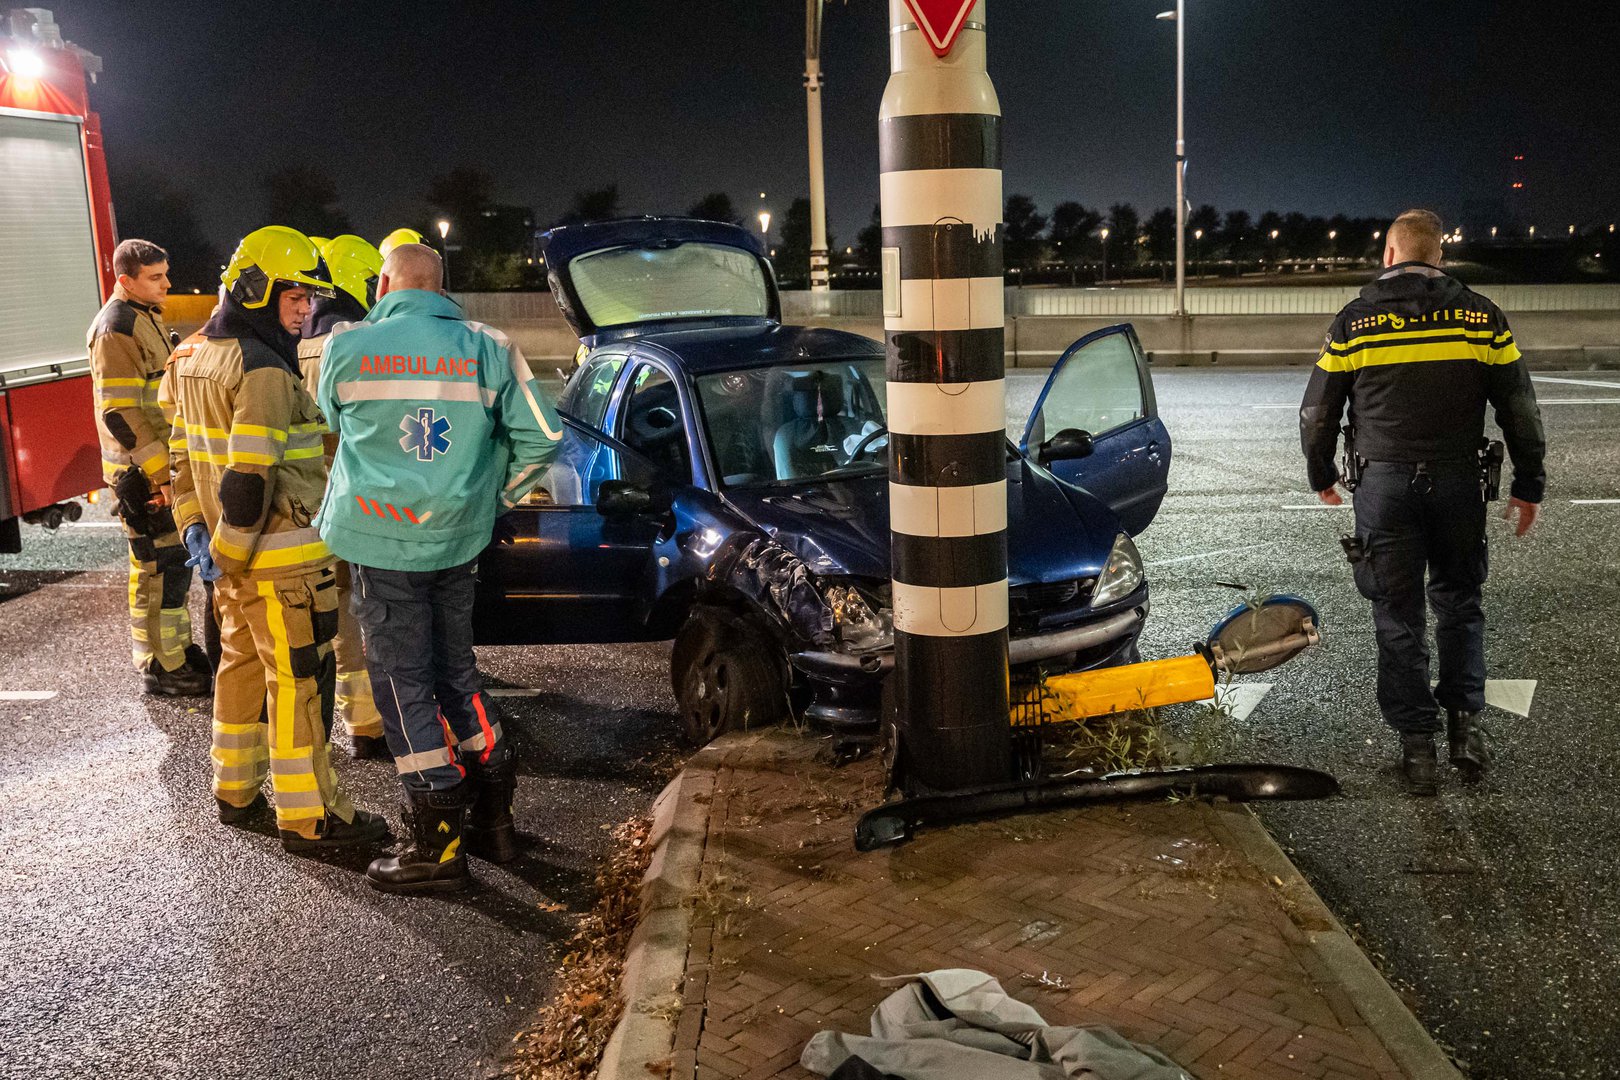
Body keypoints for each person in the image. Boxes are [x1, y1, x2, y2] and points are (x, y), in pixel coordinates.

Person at [316, 243, 562, 893]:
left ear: (384, 284)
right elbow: (544, 437)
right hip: (459, 539)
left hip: (380, 541)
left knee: (403, 688)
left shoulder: (348, 346)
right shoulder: (491, 345)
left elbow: (330, 420)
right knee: (457, 675)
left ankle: (438, 842)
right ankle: (494, 820)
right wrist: (493, 498)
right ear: (440, 283)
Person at [1300, 209, 1546, 795]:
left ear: (1389, 254)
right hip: (1460, 482)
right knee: (1460, 602)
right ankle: (1465, 732)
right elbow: (1520, 409)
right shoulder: (1480, 317)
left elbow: (1317, 414)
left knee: (1397, 611)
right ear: (1440, 254)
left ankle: (1418, 753)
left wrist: (1320, 474)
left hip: (1384, 487)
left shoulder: (1355, 322)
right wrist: (1528, 484)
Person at [164, 225, 388, 851]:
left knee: (236, 668)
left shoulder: (193, 357)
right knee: (298, 684)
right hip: (278, 564)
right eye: (293, 296)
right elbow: (248, 480)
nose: (303, 310)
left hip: (228, 561)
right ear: (258, 289)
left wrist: (198, 538)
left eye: (308, 298)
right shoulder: (261, 367)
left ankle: (234, 790)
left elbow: (181, 459)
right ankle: (312, 815)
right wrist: (235, 556)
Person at [88, 238, 210, 695]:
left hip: (158, 468)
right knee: (155, 569)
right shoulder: (117, 327)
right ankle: (158, 666)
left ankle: (177, 652)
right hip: (141, 474)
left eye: (165, 273)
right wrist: (161, 474)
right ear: (126, 280)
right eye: (155, 277)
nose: (167, 283)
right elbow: (119, 413)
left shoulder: (143, 318)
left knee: (175, 564)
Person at [296, 235, 390, 761]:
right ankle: (374, 719)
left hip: (304, 504)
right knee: (368, 608)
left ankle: (348, 719)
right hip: (357, 501)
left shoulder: (291, 343)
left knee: (326, 613)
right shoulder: (356, 344)